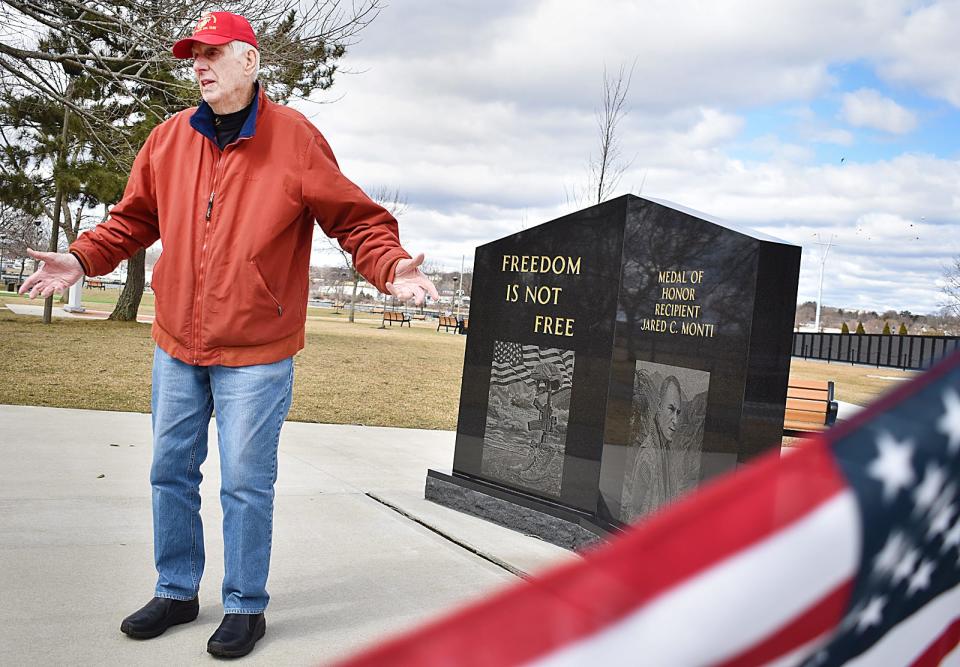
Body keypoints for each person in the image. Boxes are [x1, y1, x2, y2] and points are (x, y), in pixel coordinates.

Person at [19, 11, 438, 659]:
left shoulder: (296, 141)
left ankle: (245, 603)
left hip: (257, 352)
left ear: (251, 60)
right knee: (169, 470)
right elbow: (131, 221)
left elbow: (355, 220)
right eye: (194, 56)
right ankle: (177, 588)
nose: (200, 65)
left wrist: (391, 264)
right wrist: (78, 260)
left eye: (214, 53)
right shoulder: (167, 140)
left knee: (245, 480)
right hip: (177, 343)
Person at [621, 375, 684, 521]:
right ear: (659, 406)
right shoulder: (647, 457)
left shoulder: (666, 450)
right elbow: (635, 514)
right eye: (671, 409)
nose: (676, 420)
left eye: (678, 412)